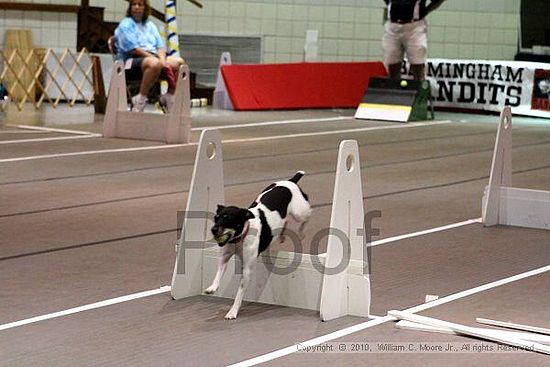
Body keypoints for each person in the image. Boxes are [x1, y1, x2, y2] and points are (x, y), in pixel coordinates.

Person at [114, 0, 185, 112]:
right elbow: (134, 49)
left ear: (145, 8)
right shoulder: (125, 24)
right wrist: (155, 59)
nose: (136, 7)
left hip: (153, 58)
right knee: (154, 63)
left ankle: (169, 95)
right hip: (130, 61)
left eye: (140, 5)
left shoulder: (150, 26)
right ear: (130, 8)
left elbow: (160, 47)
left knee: (179, 63)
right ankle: (140, 98)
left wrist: (162, 61)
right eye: (134, 5)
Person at [382, 0, 445, 80]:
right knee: (392, 64)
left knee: (417, 64)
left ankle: (419, 89)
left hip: (415, 28)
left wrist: (425, 11)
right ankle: (394, 90)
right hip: (392, 27)